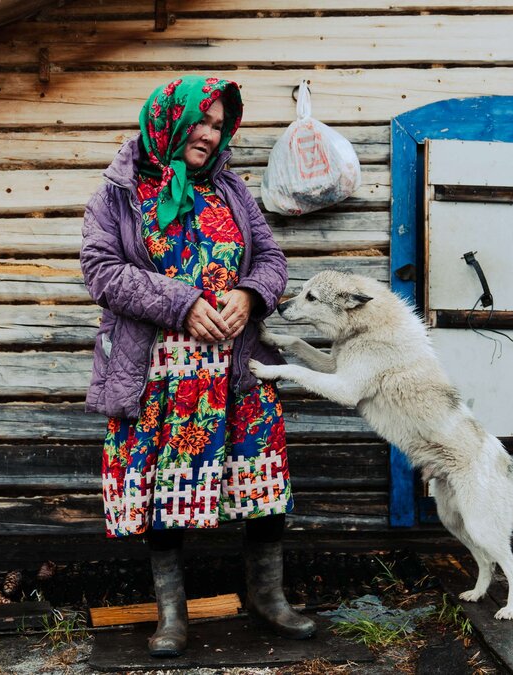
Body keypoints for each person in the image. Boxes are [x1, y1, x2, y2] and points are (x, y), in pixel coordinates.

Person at [80, 75, 315, 657]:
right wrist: (182, 304)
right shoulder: (119, 192)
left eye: (217, 124)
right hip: (158, 371)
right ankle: (172, 615)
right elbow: (101, 271)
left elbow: (271, 257)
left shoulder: (229, 188)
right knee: (164, 489)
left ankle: (268, 598)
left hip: (237, 367)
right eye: (199, 122)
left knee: (261, 480)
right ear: (168, 120)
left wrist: (252, 294)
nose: (209, 134)